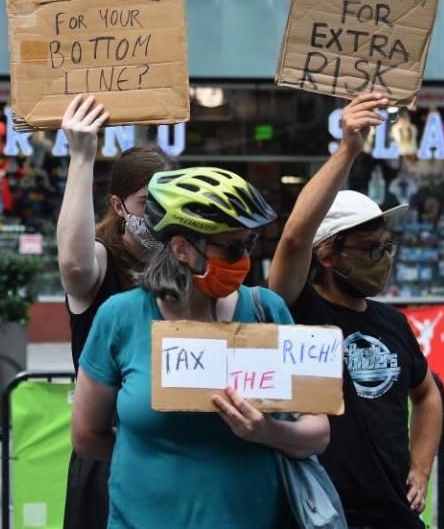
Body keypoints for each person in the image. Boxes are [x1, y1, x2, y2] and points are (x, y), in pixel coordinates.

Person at [72, 166, 330, 528]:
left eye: (249, 244)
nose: (244, 260)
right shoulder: (120, 317)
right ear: (181, 248)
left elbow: (318, 434)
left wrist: (267, 432)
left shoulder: (267, 309)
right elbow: (87, 437)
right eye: (233, 247)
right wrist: (153, 457)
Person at [269, 92, 443, 528]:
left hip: (394, 515)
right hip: (322, 515)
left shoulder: (393, 322)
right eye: (369, 249)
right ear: (327, 256)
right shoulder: (295, 309)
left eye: (387, 247)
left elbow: (427, 394)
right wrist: (348, 149)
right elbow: (293, 239)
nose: (383, 258)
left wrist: (421, 467)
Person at [55, 95, 175, 529]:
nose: (160, 215)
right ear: (119, 205)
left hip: (172, 454)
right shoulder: (102, 260)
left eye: (169, 200)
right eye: (148, 202)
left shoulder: (188, 266)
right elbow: (74, 265)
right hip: (111, 454)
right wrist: (81, 156)